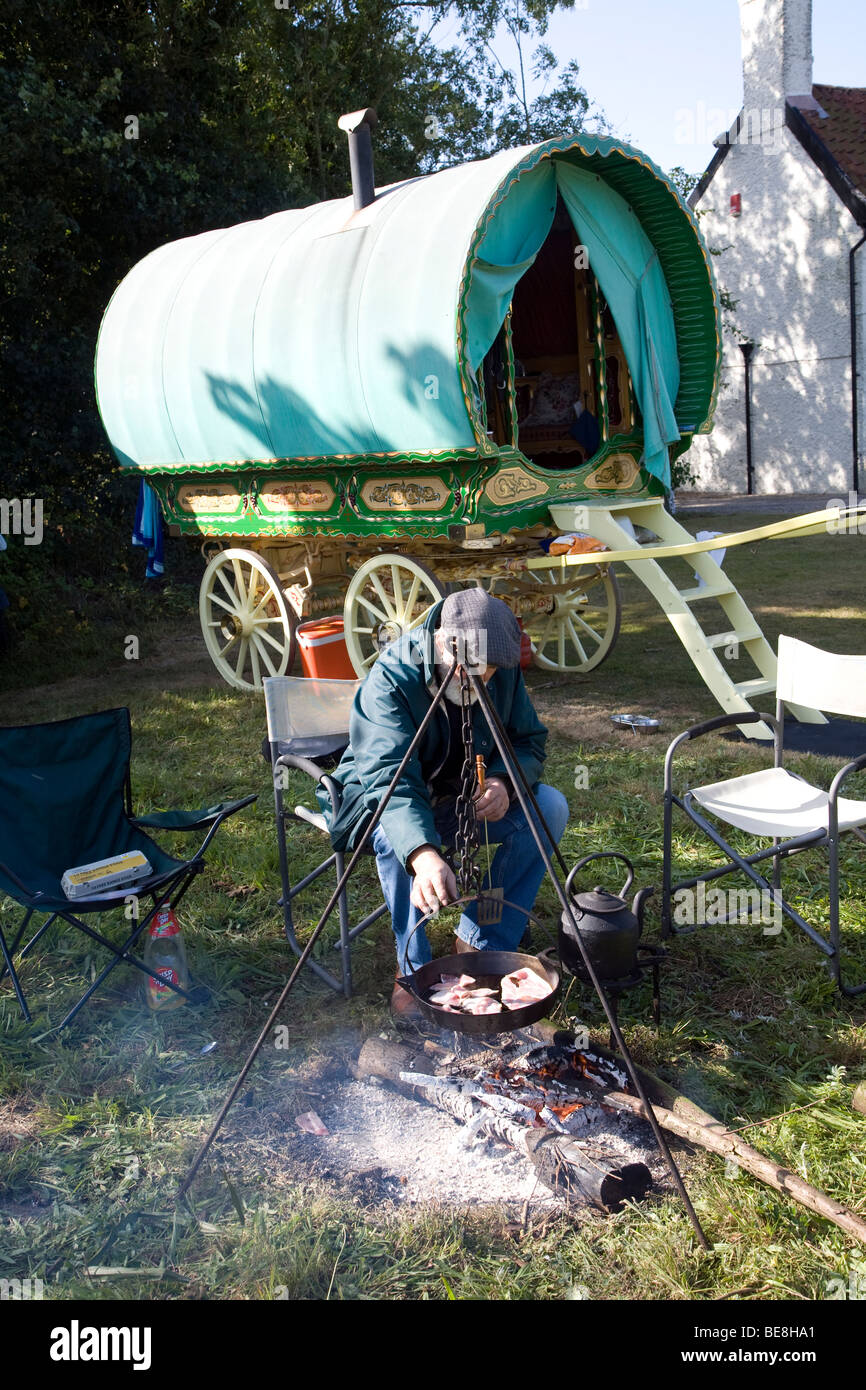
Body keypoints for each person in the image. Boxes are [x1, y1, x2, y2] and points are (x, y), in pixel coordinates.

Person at [318, 587, 569, 1021]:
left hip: (459, 800)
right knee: (393, 842)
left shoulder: (496, 665)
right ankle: (413, 971)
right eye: (473, 673)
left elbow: (529, 741)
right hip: (383, 800)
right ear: (441, 645)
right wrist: (423, 851)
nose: (483, 682)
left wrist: (505, 781)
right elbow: (387, 777)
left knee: (548, 808)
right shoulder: (393, 677)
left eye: (490, 674)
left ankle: (482, 942)